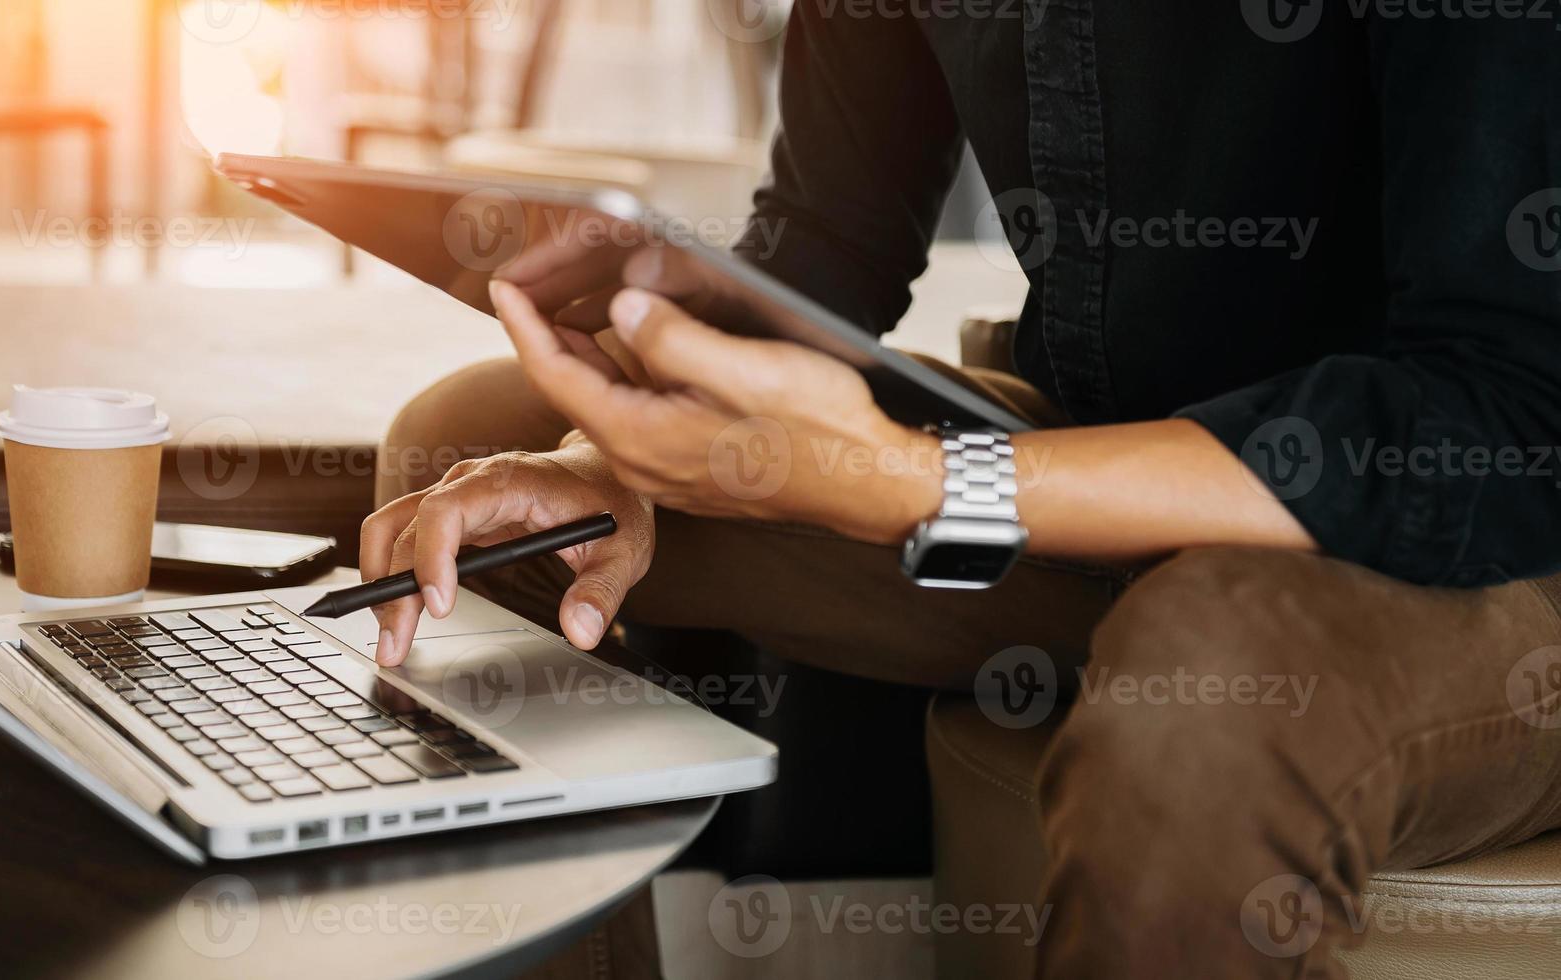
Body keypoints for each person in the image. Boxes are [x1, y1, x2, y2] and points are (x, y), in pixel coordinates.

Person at [361, 4, 1561, 976]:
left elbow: (1505, 404)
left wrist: (933, 485)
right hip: (1108, 463)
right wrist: (610, 460)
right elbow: (829, 243)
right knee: (477, 454)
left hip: (1477, 536)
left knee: (1205, 671)